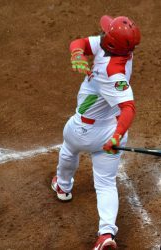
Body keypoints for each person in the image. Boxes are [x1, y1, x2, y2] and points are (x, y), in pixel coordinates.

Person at [51, 15, 141, 250]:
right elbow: (79, 42)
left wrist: (116, 136)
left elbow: (129, 108)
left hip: (83, 130)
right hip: (108, 129)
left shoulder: (113, 74)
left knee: (69, 148)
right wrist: (77, 54)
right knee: (105, 183)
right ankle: (106, 234)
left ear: (110, 42)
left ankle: (63, 186)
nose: (101, 34)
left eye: (105, 33)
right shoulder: (120, 49)